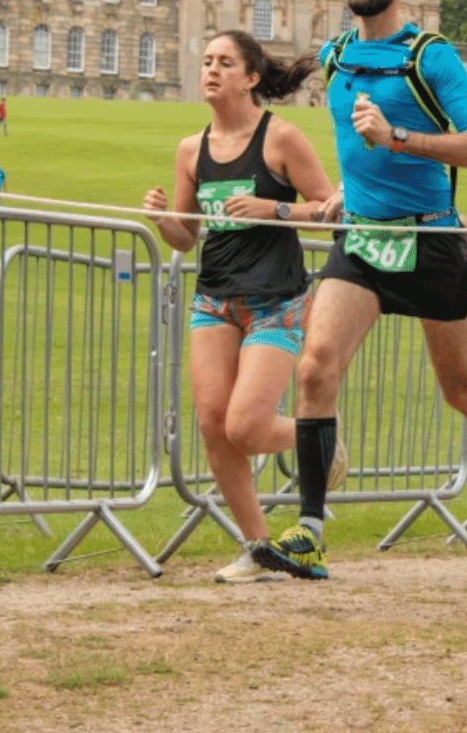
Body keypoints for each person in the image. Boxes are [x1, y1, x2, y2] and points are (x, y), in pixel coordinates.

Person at [255, 0, 467, 581]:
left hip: (431, 239)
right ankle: (311, 530)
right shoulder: (336, 57)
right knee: (316, 369)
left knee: (461, 390)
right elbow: (355, 153)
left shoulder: (431, 56)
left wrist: (399, 137)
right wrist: (343, 195)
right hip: (363, 243)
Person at [142, 29, 336, 582]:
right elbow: (188, 237)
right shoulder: (190, 149)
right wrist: (162, 221)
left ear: (251, 78)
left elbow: (330, 208)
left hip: (277, 299)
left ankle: (321, 439)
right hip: (214, 299)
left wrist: (270, 209)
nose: (211, 70)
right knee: (211, 423)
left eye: (225, 62)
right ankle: (258, 547)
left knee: (246, 426)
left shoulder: (281, 138)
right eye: (206, 61)